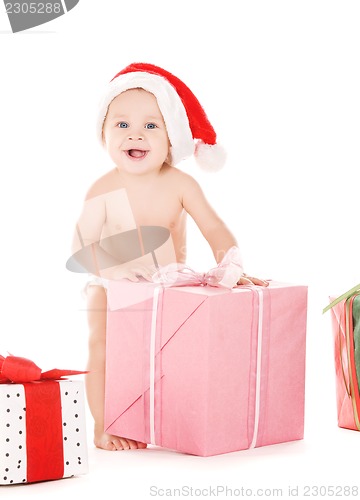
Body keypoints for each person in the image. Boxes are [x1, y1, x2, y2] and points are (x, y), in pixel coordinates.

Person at [70, 63, 268, 451]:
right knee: (104, 347)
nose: (136, 134)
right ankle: (103, 425)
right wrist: (117, 268)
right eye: (122, 125)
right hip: (112, 286)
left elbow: (213, 227)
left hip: (170, 287)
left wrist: (230, 263)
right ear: (104, 134)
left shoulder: (180, 184)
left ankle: (167, 420)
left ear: (171, 138)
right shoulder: (102, 188)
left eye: (151, 125)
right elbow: (82, 247)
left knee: (171, 355)